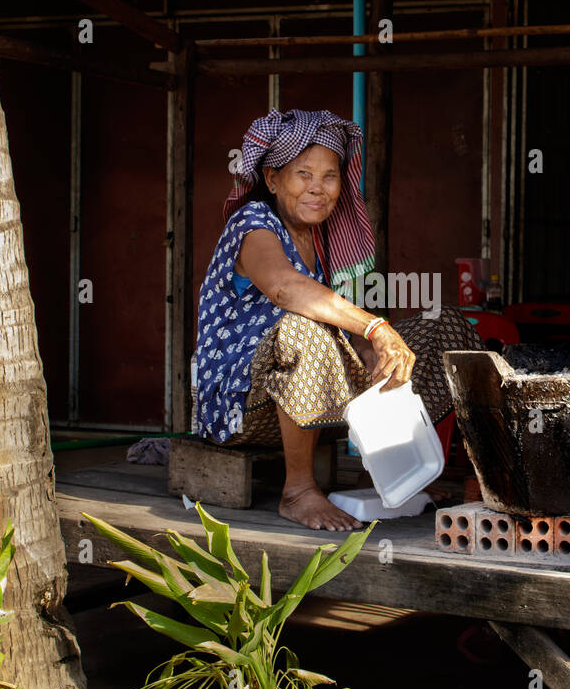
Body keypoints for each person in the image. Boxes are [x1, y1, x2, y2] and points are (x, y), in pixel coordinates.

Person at [191, 109, 482, 531]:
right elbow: (286, 290)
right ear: (272, 179)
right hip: (243, 406)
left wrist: (374, 347)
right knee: (300, 329)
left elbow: (342, 324)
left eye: (329, 176)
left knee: (445, 326)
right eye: (303, 174)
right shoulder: (253, 225)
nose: (318, 189)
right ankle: (298, 491)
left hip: (315, 400)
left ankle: (389, 476)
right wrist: (375, 327)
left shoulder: (328, 238)